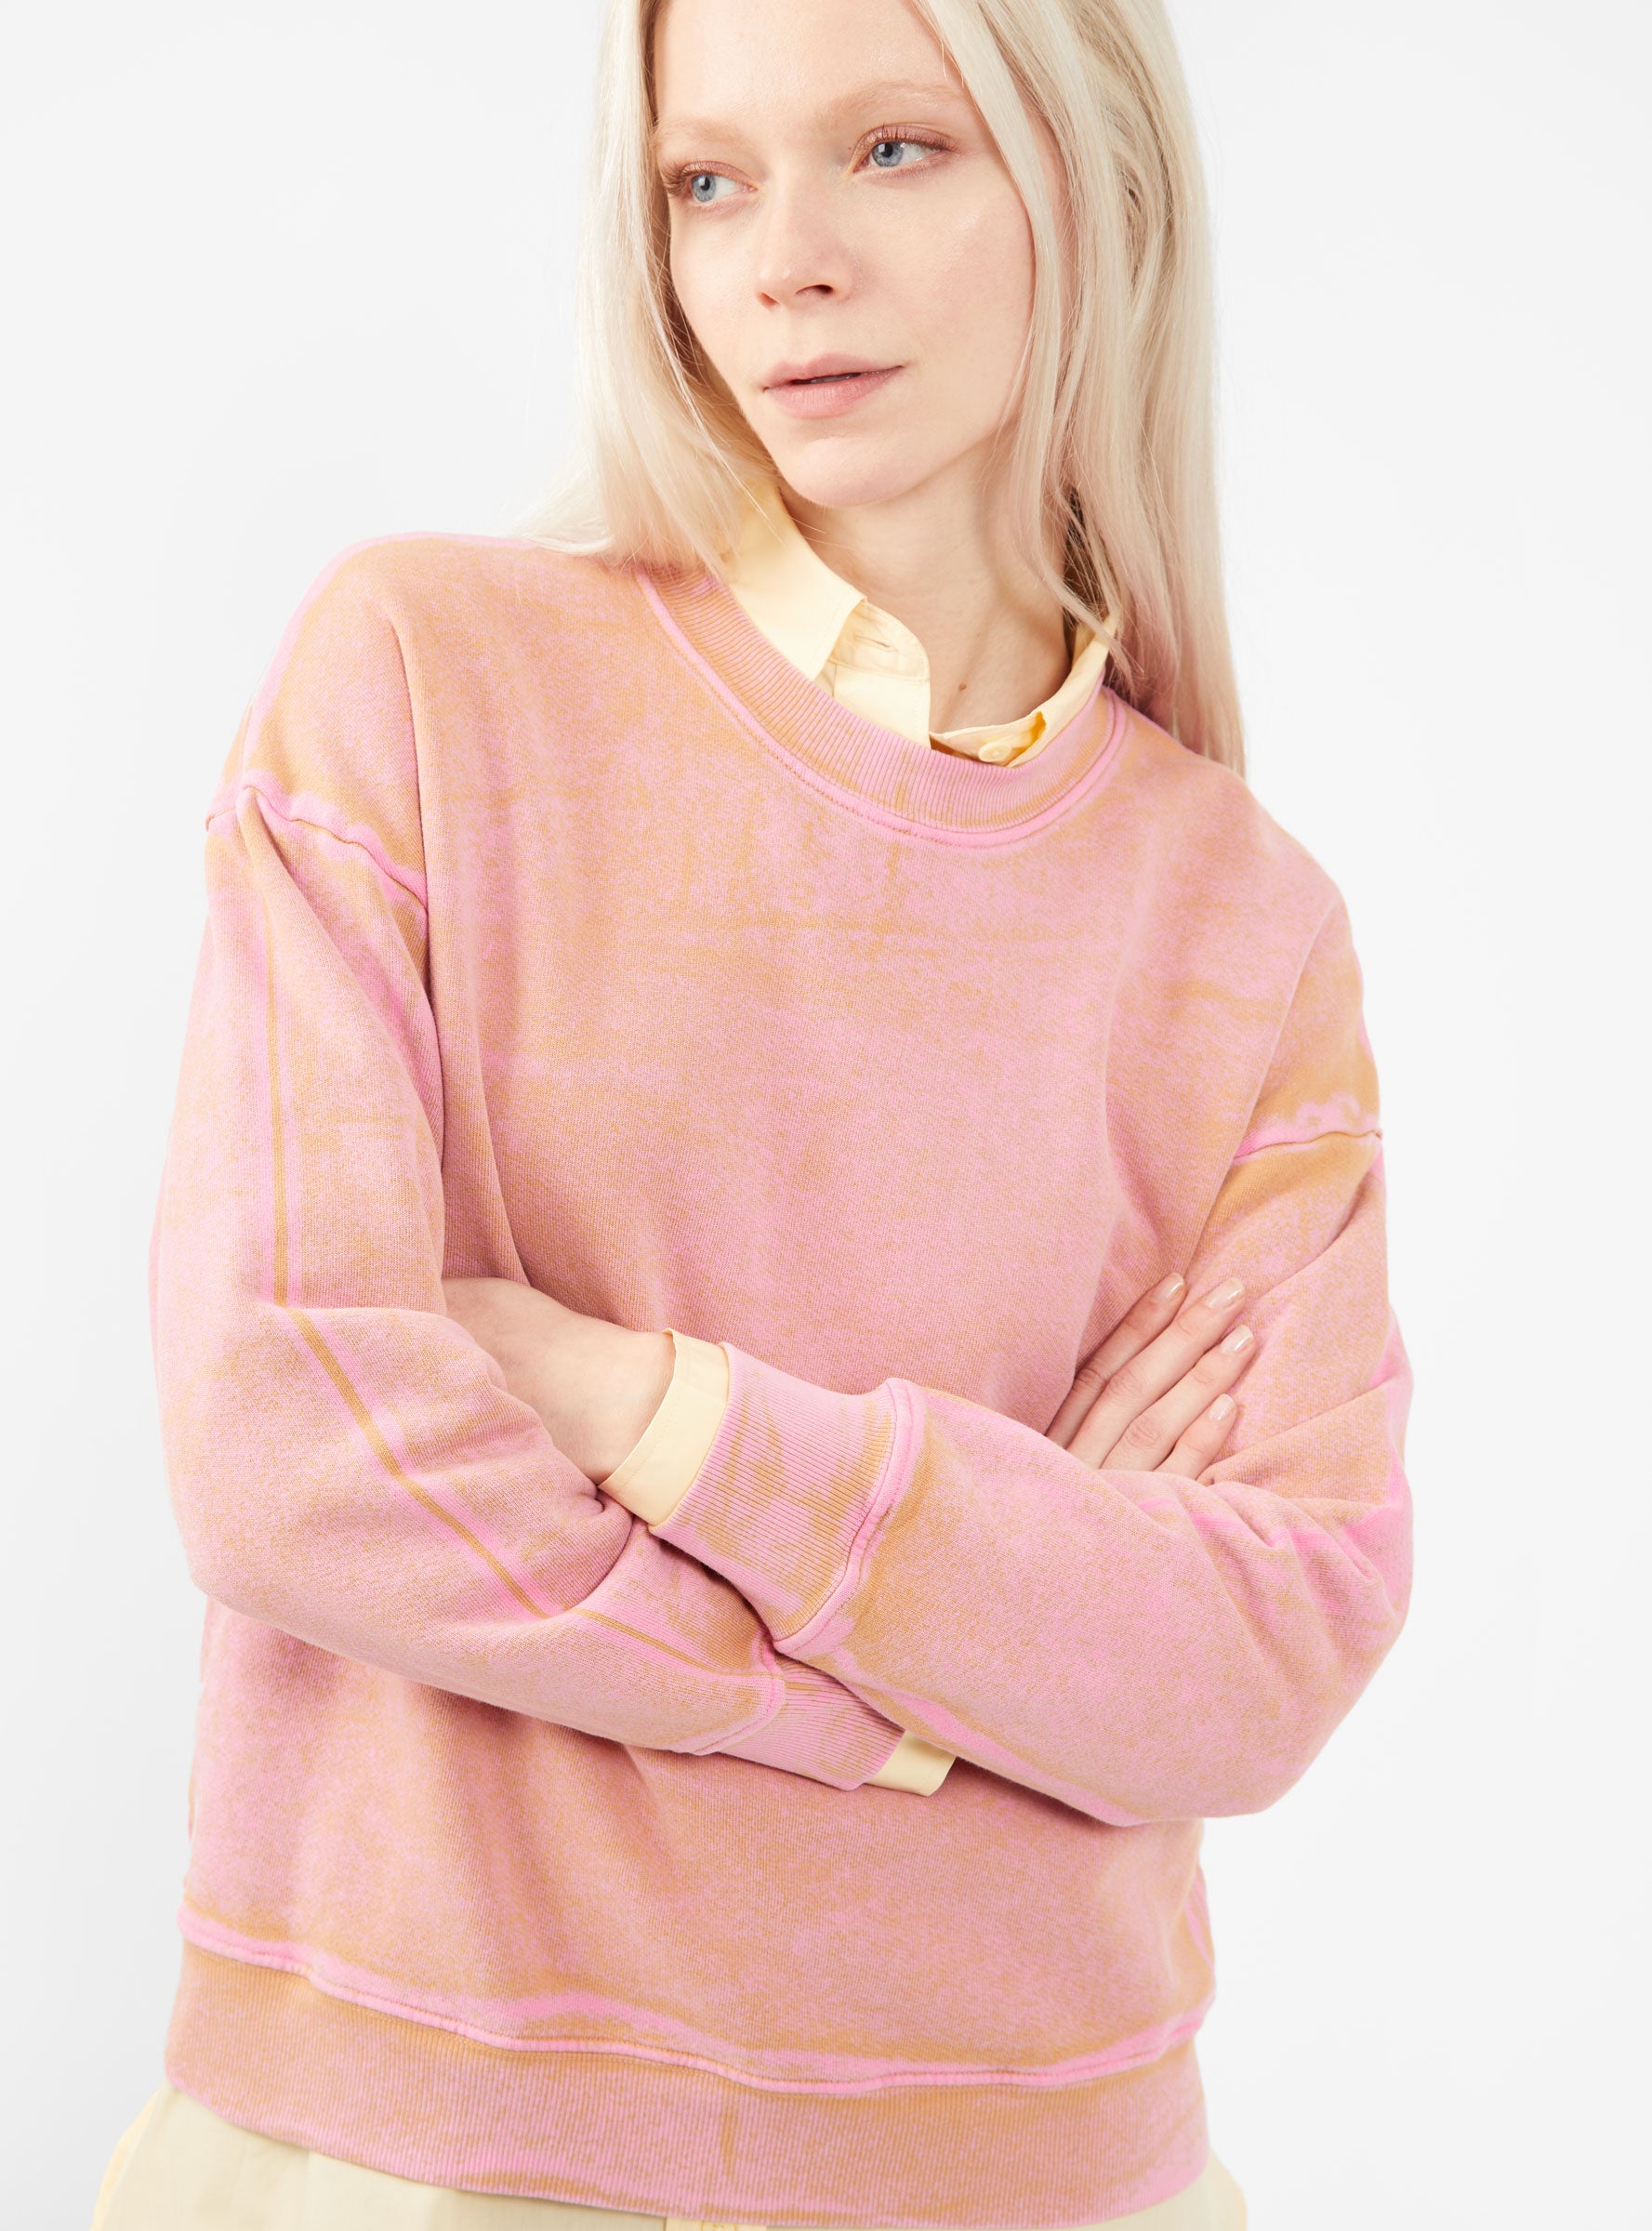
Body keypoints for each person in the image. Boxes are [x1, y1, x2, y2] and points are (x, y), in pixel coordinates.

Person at [91, 0, 1412, 2224]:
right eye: (705, 181)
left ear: (1099, 186)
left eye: (894, 148)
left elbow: (1261, 1657)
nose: (784, 258)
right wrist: (928, 1668)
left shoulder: (1239, 923)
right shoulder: (421, 676)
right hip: (433, 2152)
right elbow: (279, 1440)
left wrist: (638, 1404)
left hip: (1045, 2166)